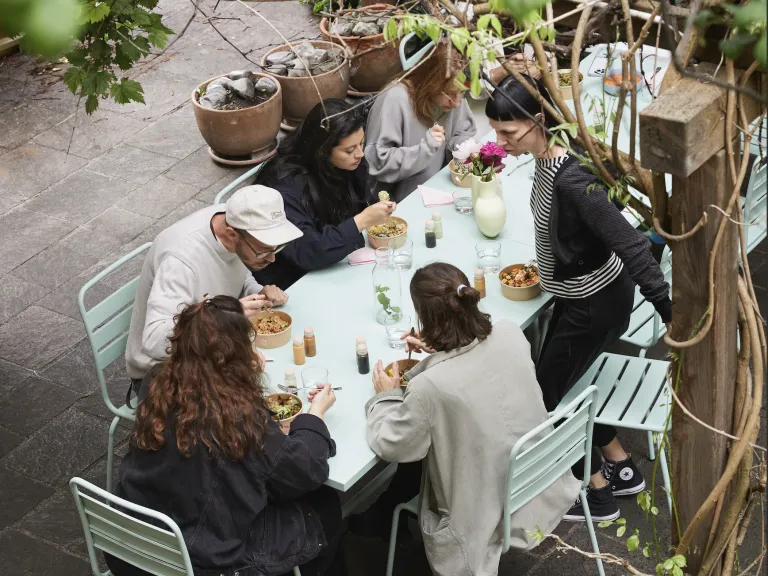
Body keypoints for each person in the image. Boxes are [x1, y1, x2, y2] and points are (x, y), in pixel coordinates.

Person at [486, 75, 673, 522]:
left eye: (508, 133)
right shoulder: (553, 157)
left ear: (537, 120)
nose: (500, 142)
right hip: (580, 299)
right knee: (569, 380)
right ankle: (621, 464)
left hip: (594, 306)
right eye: (496, 132)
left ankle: (593, 489)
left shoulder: (572, 180)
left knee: (544, 396)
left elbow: (629, 243)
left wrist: (670, 313)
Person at [326, 263, 578, 575]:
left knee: (418, 454)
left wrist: (382, 397)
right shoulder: (510, 333)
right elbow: (477, 371)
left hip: (484, 503)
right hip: (538, 478)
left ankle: (377, 518)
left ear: (423, 316)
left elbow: (392, 445)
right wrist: (439, 351)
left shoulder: (429, 388)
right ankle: (380, 514)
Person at [109, 295, 344, 576]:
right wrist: (313, 418)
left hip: (134, 545)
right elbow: (305, 472)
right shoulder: (237, 419)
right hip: (201, 559)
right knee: (326, 507)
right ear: (236, 357)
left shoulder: (157, 382)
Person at [125, 186, 302, 385]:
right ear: (232, 234)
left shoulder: (233, 218)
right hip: (164, 370)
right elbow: (154, 341)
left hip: (210, 344)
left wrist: (256, 292)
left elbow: (234, 274)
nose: (271, 258)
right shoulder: (181, 262)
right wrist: (225, 316)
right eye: (262, 251)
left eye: (276, 248)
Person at [253, 99, 396, 289]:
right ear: (322, 150)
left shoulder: (349, 164)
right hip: (292, 277)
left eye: (361, 143)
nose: (360, 154)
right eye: (349, 150)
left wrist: (374, 212)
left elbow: (362, 202)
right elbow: (306, 250)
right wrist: (361, 221)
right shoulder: (285, 185)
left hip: (338, 260)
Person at [364, 40, 477, 202]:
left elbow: (462, 132)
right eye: (450, 94)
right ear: (431, 84)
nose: (457, 102)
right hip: (400, 200)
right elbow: (378, 163)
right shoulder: (395, 99)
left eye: (461, 93)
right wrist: (424, 149)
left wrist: (465, 149)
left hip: (439, 188)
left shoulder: (453, 96)